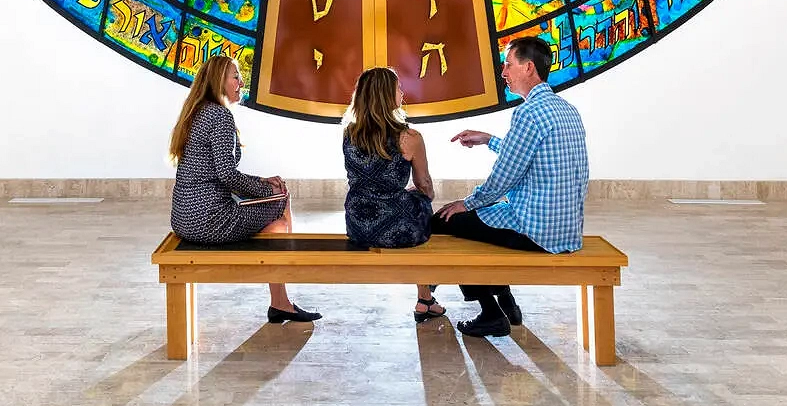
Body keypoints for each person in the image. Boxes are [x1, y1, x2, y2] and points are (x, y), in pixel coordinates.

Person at [432, 36, 589, 338]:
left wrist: (467, 203)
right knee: (478, 221)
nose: (503, 72)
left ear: (529, 67)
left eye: (508, 64)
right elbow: (530, 155)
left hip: (536, 230)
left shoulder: (528, 113)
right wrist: (489, 139)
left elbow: (505, 177)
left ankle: (491, 311)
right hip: (566, 229)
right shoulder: (566, 109)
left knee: (448, 221)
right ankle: (504, 299)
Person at [168, 55, 321, 324]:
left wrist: (261, 182)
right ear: (219, 80)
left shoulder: (197, 112)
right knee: (281, 201)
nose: (241, 82)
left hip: (183, 219)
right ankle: (281, 300)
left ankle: (279, 296)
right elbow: (226, 174)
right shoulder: (220, 115)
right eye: (235, 77)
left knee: (272, 207)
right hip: (209, 220)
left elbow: (216, 172)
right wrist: (268, 192)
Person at [342, 67, 445, 322]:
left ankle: (426, 300)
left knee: (412, 203)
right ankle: (426, 292)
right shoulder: (409, 137)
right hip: (398, 229)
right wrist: (420, 196)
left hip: (358, 225)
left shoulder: (349, 134)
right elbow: (425, 184)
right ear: (388, 95)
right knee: (427, 211)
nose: (402, 92)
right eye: (398, 87)